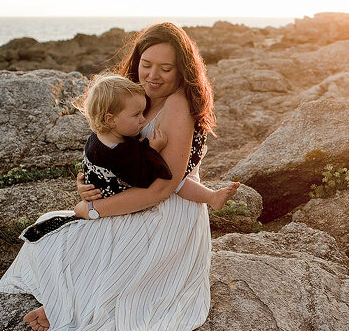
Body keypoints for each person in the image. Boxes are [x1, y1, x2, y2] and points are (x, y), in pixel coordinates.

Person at [0, 22, 234, 331]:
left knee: (103, 243)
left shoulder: (177, 106)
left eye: (166, 67)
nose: (154, 75)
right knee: (55, 235)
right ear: (137, 61)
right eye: (147, 64)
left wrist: (95, 210)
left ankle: (66, 309)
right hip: (133, 197)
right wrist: (89, 187)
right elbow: (113, 151)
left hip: (170, 211)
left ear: (183, 70)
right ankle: (66, 304)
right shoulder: (133, 95)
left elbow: (163, 189)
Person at [19, 72, 238, 243]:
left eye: (165, 68)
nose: (143, 121)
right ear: (110, 118)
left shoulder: (102, 137)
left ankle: (211, 197)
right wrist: (153, 149)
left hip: (109, 196)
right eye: (137, 115)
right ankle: (211, 197)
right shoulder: (116, 151)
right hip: (115, 202)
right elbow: (143, 177)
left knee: (178, 179)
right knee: (177, 180)